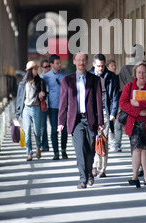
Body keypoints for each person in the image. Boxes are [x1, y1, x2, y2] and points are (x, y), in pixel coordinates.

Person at [57, 52, 104, 188]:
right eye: (79, 60)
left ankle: (89, 171)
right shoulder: (67, 81)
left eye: (83, 60)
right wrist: (61, 122)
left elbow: (98, 103)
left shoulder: (95, 80)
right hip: (76, 120)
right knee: (79, 150)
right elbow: (63, 103)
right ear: (74, 61)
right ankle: (83, 178)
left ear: (87, 61)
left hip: (90, 119)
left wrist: (100, 122)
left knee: (90, 150)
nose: (81, 63)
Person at [90, 54, 120, 177]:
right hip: (92, 112)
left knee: (104, 140)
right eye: (98, 66)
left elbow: (114, 97)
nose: (101, 69)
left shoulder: (111, 77)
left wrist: (113, 112)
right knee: (93, 139)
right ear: (93, 65)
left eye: (102, 66)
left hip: (105, 112)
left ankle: (102, 168)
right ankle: (94, 165)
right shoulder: (88, 77)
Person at [15, 61, 46, 161]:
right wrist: (17, 113)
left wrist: (43, 94)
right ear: (29, 71)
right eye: (34, 69)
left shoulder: (40, 81)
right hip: (26, 109)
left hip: (36, 108)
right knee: (27, 132)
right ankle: (29, 152)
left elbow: (45, 93)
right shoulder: (23, 83)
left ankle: (38, 147)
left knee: (37, 131)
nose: (36, 70)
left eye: (37, 68)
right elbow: (19, 98)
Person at [43, 54, 69, 160]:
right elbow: (42, 89)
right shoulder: (46, 77)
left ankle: (63, 150)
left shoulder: (66, 75)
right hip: (52, 107)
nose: (59, 65)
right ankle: (56, 152)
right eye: (57, 63)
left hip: (65, 106)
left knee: (65, 129)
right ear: (51, 64)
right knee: (54, 130)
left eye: (60, 63)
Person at [106, 59, 123, 152]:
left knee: (118, 125)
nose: (114, 67)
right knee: (110, 125)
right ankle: (112, 143)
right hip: (109, 105)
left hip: (119, 104)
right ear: (107, 67)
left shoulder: (118, 78)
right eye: (112, 65)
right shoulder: (106, 78)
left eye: (115, 65)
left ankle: (117, 144)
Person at [39, 59, 51, 151]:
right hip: (43, 105)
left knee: (55, 127)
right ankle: (45, 145)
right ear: (42, 68)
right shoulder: (39, 79)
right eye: (46, 67)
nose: (48, 68)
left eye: (49, 66)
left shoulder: (54, 76)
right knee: (43, 126)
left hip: (53, 104)